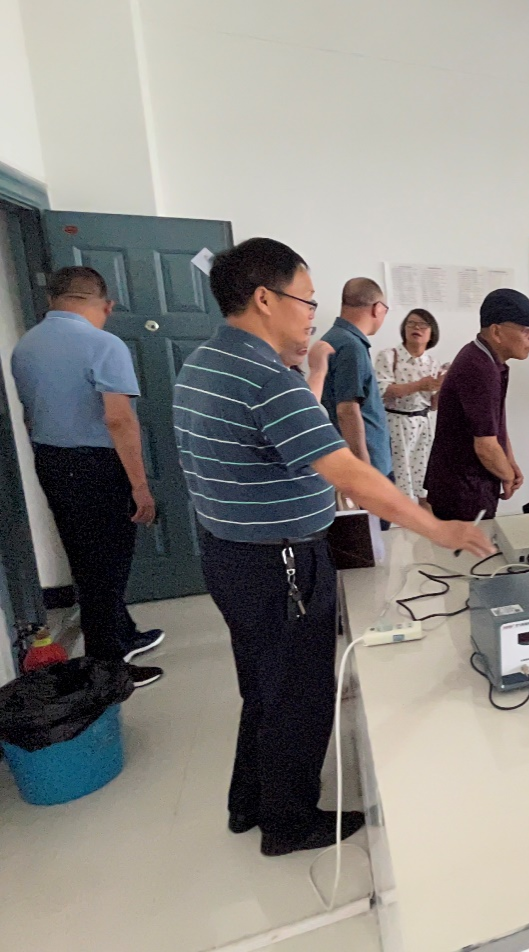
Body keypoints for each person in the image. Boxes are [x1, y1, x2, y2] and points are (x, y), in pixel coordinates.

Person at [173, 238, 492, 857]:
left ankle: (249, 802)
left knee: (262, 684)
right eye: (306, 299)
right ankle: (288, 824)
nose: (312, 314)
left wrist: (310, 369)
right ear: (265, 299)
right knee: (299, 692)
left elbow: (282, 433)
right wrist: (441, 529)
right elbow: (350, 475)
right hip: (281, 563)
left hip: (228, 554)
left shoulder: (207, 362)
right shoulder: (269, 381)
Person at [10, 267, 164, 688]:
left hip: (51, 460)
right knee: (107, 568)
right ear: (106, 305)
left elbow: (29, 414)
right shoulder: (104, 344)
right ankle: (108, 671)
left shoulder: (25, 346)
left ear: (52, 300)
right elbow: (118, 419)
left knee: (86, 558)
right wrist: (140, 486)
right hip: (98, 465)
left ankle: (124, 633)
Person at [424, 289, 529, 521]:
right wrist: (507, 476)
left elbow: (495, 423)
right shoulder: (479, 368)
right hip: (462, 490)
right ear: (496, 332)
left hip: (470, 484)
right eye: (527, 329)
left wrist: (509, 462)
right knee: (470, 545)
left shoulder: (488, 360)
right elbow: (485, 446)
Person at [320, 278, 392, 479]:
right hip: (367, 464)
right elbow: (347, 410)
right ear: (377, 308)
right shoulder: (351, 346)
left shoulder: (335, 338)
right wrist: (363, 469)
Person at [375, 309, 443, 502]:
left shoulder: (432, 363)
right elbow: (383, 390)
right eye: (411, 323)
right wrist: (419, 385)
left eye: (423, 325)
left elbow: (433, 405)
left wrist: (443, 387)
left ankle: (420, 514)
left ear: (431, 333)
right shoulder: (389, 356)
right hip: (397, 423)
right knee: (398, 481)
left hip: (423, 425)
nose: (416, 328)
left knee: (422, 482)